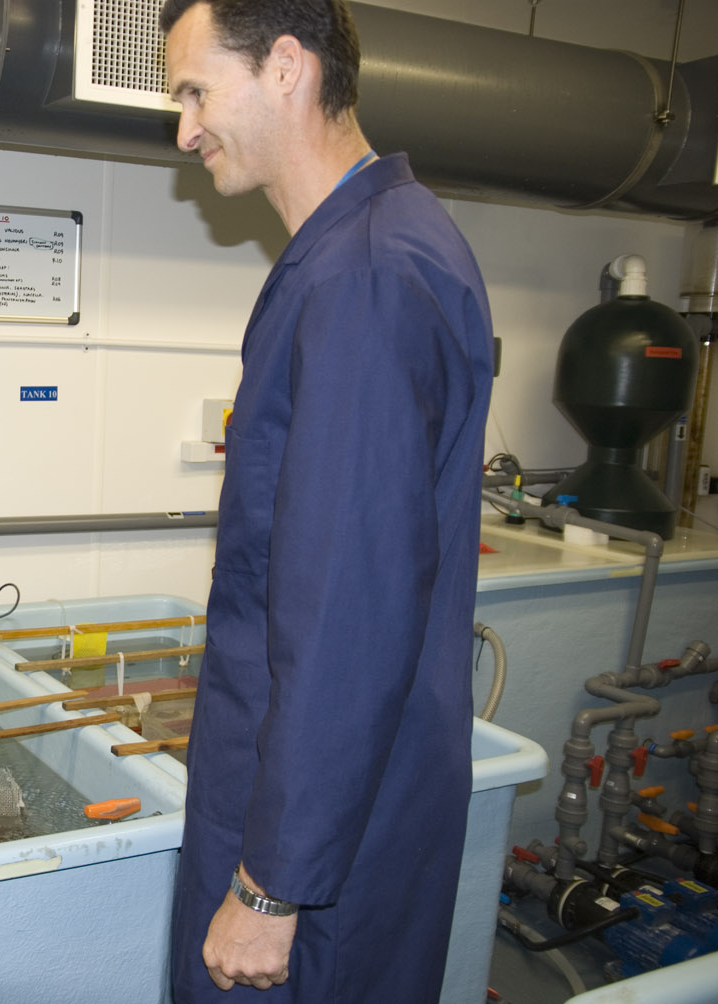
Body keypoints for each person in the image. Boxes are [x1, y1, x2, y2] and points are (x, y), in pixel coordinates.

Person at [159, 1, 494, 1000]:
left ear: (288, 67)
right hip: (327, 812)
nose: (183, 130)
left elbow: (346, 608)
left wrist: (271, 886)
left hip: (315, 854)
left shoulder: (368, 276)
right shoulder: (370, 247)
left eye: (195, 92)